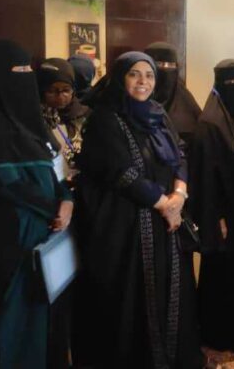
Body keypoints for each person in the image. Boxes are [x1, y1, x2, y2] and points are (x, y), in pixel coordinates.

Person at [72, 51, 203, 368]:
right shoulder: (106, 118)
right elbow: (121, 172)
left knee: (168, 291)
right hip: (124, 228)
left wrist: (179, 194)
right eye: (134, 74)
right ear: (120, 78)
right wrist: (165, 205)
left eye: (149, 75)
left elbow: (179, 154)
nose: (143, 81)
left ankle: (172, 357)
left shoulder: (158, 114)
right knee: (132, 299)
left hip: (164, 222)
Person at [0, 40, 74, 369]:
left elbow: (56, 171)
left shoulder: (32, 124)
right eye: (17, 71)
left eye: (27, 70)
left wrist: (67, 200)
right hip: (6, 251)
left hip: (44, 245)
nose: (24, 78)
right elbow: (3, 181)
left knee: (44, 328)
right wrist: (53, 206)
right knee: (8, 333)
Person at [188, 59, 234, 353]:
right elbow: (204, 178)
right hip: (223, 215)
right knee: (221, 273)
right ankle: (218, 334)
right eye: (232, 84)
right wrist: (217, 218)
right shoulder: (210, 124)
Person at [37, 58, 90, 185]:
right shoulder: (36, 120)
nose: (60, 96)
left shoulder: (85, 115)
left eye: (66, 90)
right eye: (52, 91)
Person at [144, 41, 202, 154]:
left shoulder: (187, 106)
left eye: (170, 66)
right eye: (158, 65)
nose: (165, 70)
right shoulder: (131, 104)